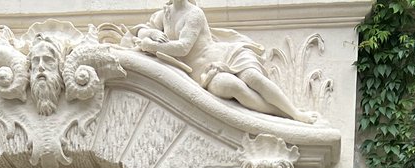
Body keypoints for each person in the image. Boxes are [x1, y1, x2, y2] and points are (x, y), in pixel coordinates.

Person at [136, 0, 318, 123]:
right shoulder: (165, 14)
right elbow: (141, 30)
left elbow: (184, 47)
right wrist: (151, 34)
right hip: (202, 73)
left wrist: (151, 46)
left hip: (225, 55)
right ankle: (280, 114)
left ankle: (295, 113)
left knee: (253, 78)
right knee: (233, 87)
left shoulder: (194, 13)